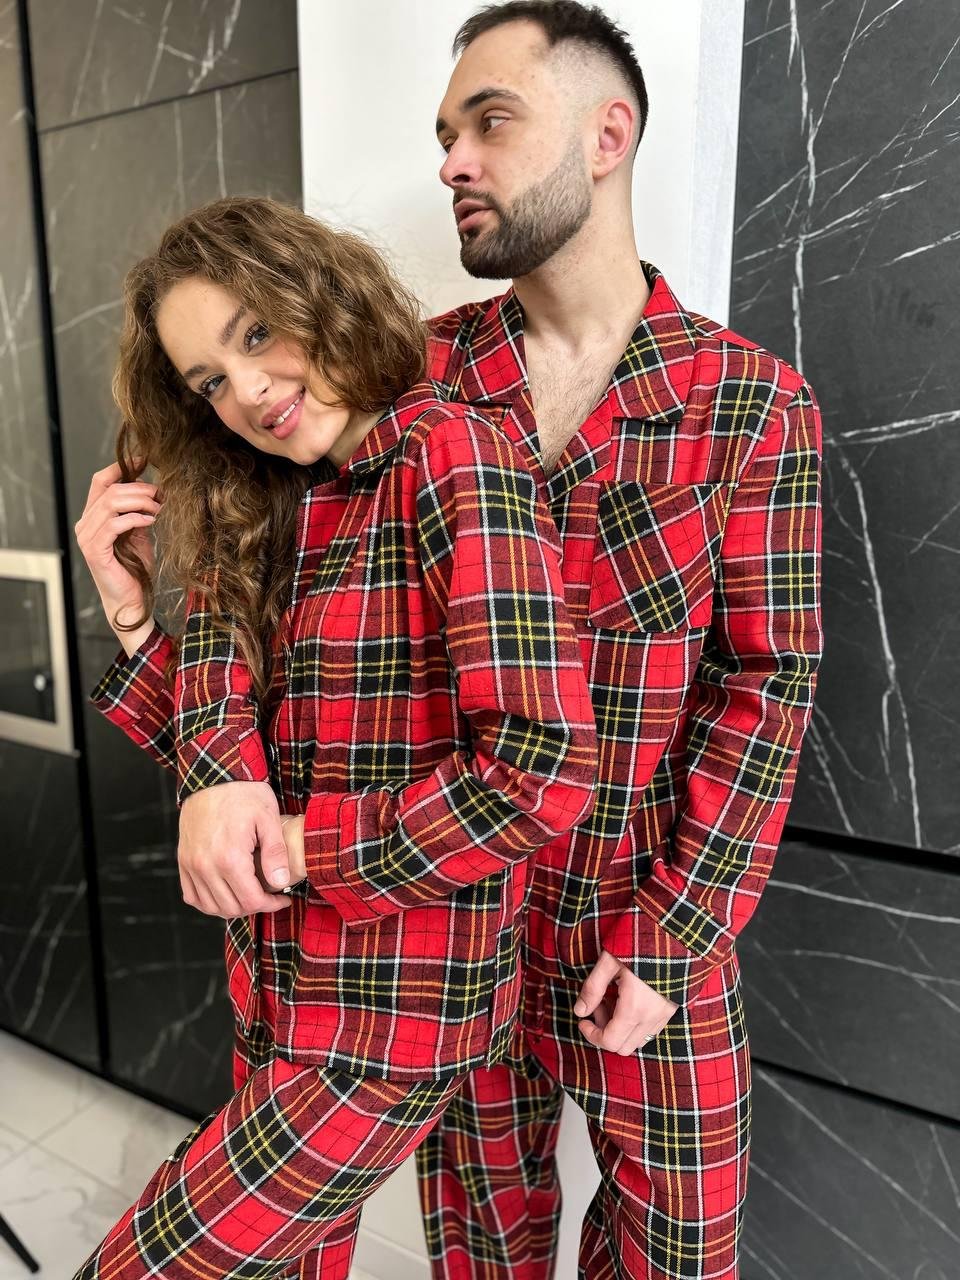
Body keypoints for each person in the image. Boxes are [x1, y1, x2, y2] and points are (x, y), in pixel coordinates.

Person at [81, 2, 824, 1277]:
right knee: (482, 1246)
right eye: (442, 135)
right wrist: (189, 706)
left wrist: (678, 929)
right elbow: (250, 592)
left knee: (679, 1243)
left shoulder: (750, 404)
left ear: (606, 135)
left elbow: (767, 686)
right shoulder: (398, 375)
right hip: (434, 918)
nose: (452, 163)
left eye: (490, 122)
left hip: (633, 911)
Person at [70, 194, 599, 1277]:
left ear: (323, 295)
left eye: (256, 333)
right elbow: (226, 786)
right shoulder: (258, 504)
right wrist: (130, 617)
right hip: (274, 986)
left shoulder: (454, 459)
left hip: (390, 1019)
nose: (248, 389)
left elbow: (540, 771)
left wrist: (300, 847)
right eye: (209, 381)